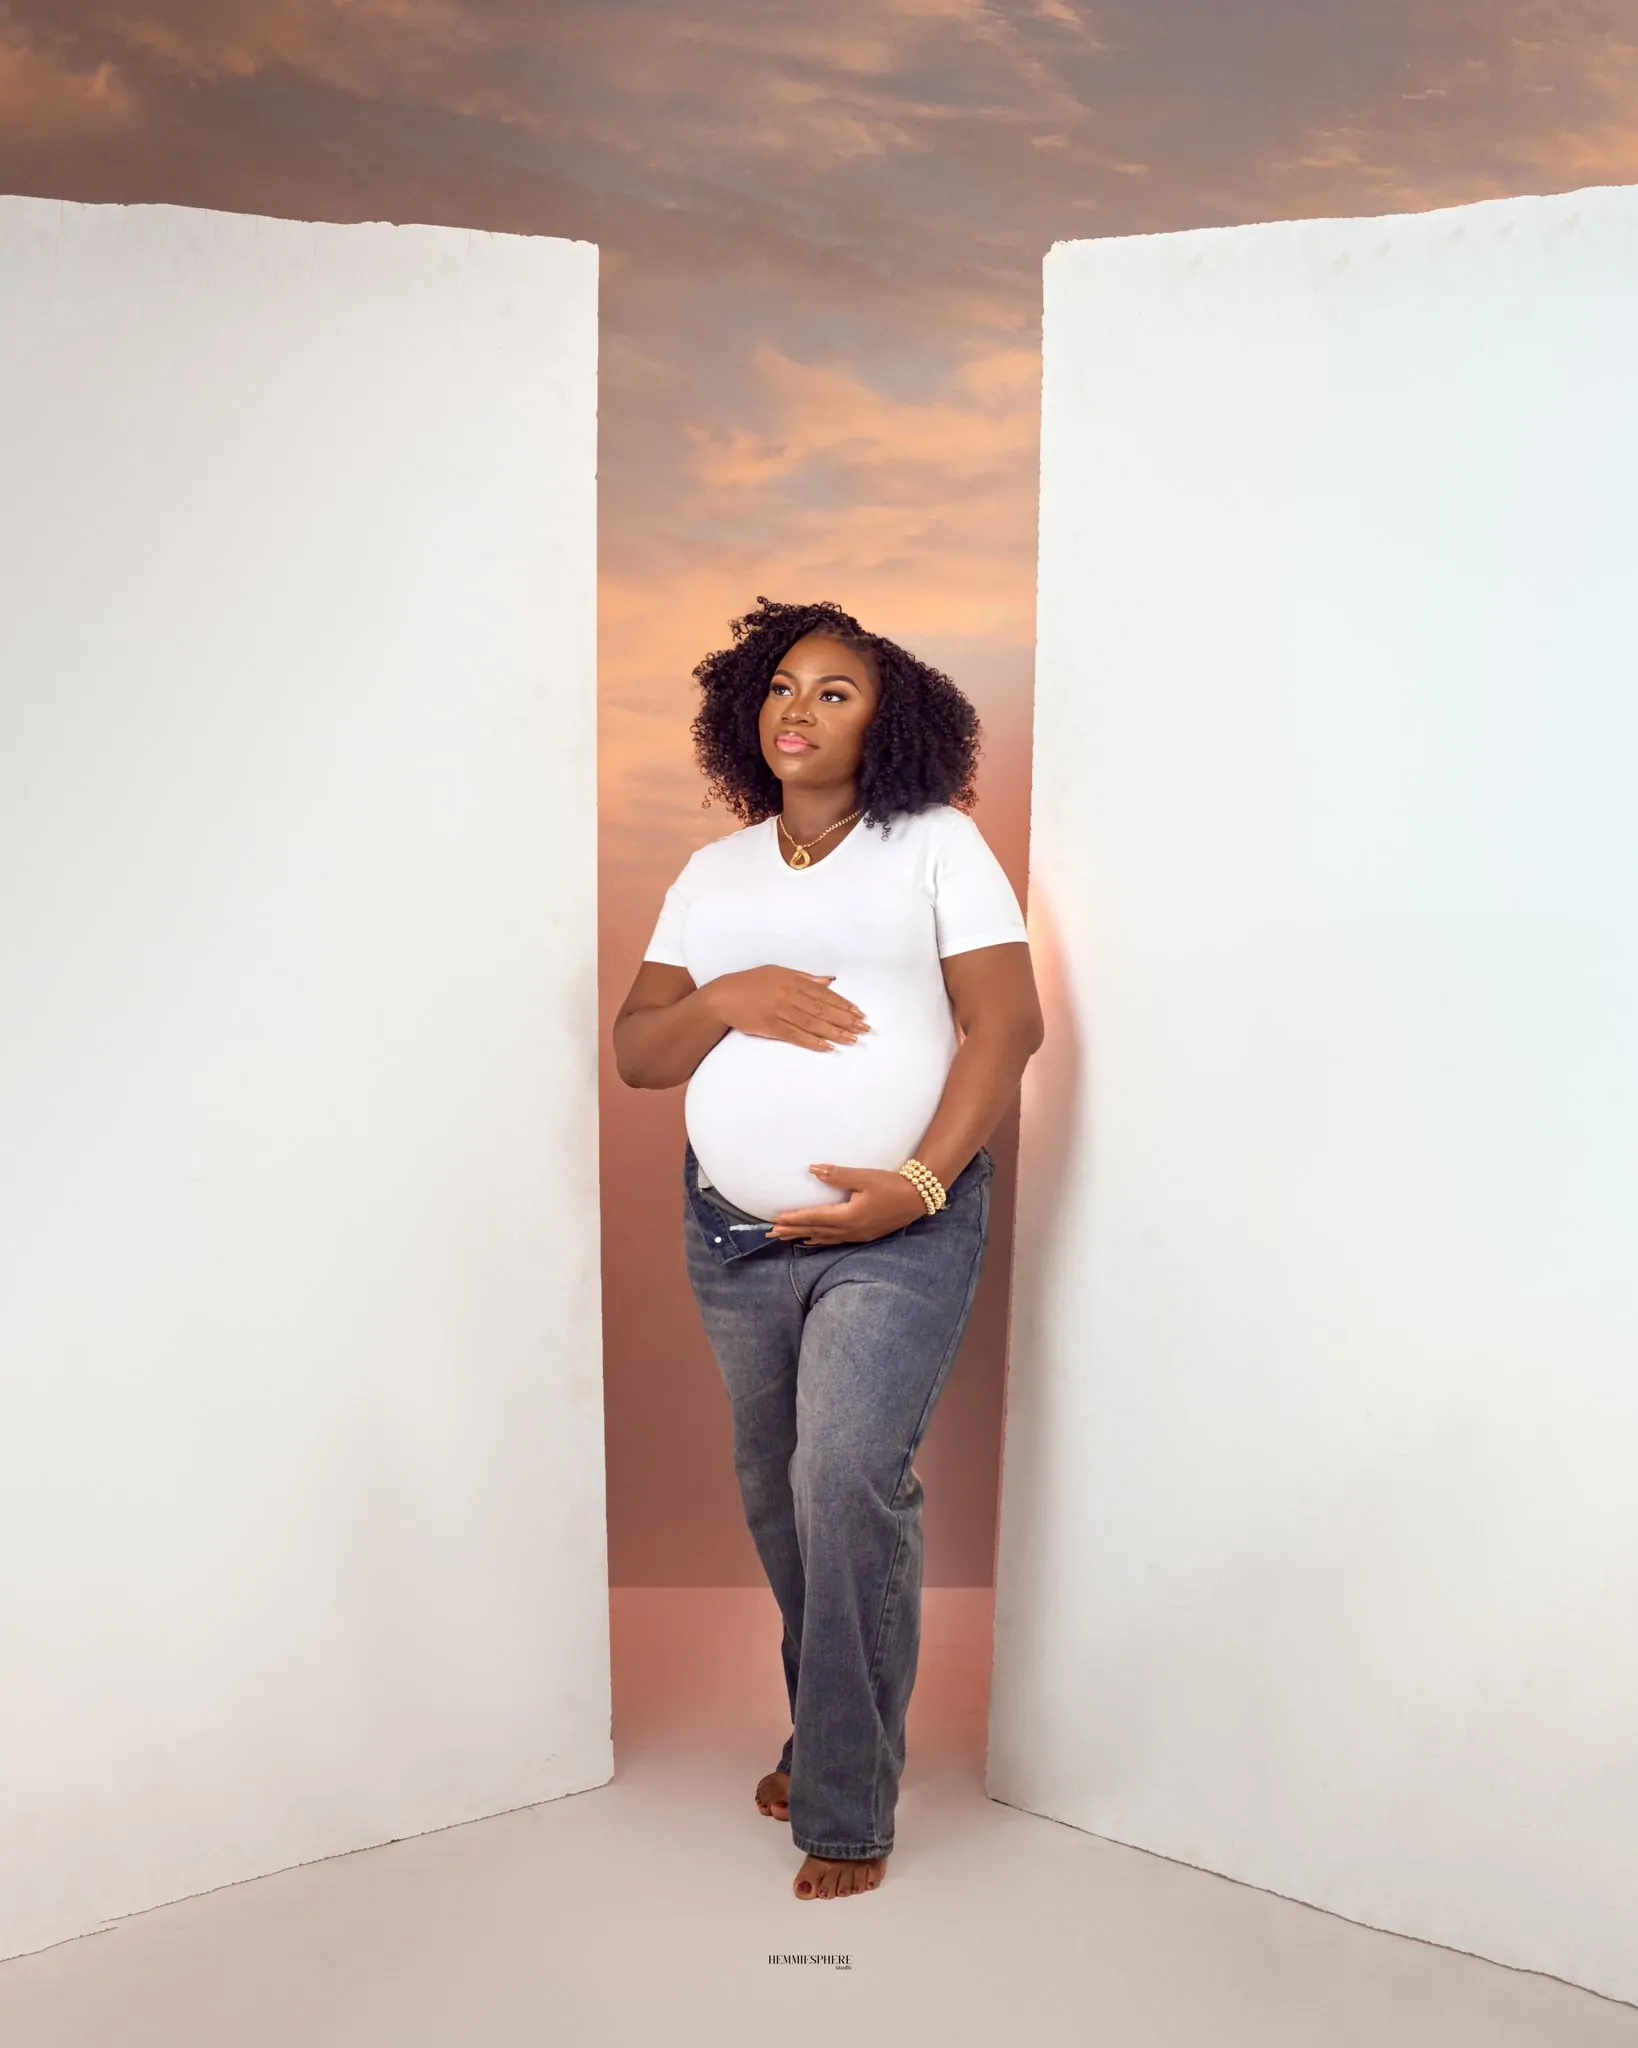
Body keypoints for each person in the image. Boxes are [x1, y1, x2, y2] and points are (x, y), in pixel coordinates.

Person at [612, 596, 1044, 1901]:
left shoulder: (936, 845)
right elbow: (640, 1054)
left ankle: (847, 1806)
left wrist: (918, 1184)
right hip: (733, 1234)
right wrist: (726, 997)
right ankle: (825, 1731)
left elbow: (1006, 1027)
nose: (797, 709)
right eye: (781, 686)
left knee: (845, 1476)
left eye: (835, 691)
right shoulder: (714, 874)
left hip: (901, 1225)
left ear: (888, 723)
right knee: (779, 1494)